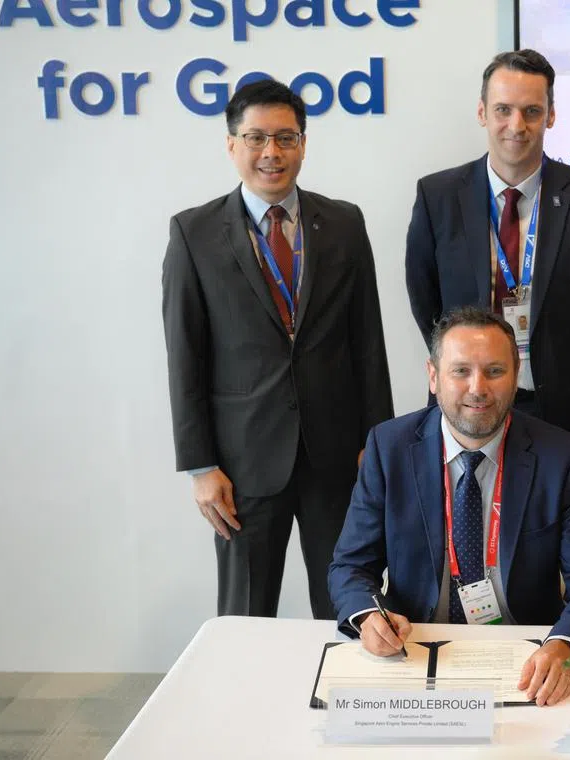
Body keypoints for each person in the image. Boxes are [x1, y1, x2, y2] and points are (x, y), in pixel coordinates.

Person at [162, 79, 393, 620]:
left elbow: (368, 340)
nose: (272, 153)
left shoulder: (343, 222)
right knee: (245, 611)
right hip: (243, 465)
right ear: (231, 145)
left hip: (335, 456)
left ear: (304, 144)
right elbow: (185, 358)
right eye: (256, 138)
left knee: (349, 602)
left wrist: (374, 443)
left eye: (286, 138)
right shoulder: (193, 233)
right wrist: (200, 465)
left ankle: (340, 702)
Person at [329, 306, 570, 706]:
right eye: (461, 371)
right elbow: (350, 566)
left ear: (516, 377)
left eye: (495, 371)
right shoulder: (389, 448)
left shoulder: (560, 456)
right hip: (416, 649)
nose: (478, 388)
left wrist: (562, 644)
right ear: (433, 377)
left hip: (525, 659)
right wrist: (367, 617)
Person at [404, 49, 570, 450]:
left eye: (531, 111)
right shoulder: (437, 196)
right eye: (503, 109)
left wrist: (560, 358)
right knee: (467, 509)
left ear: (551, 115)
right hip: (466, 401)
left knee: (556, 511)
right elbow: (425, 299)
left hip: (556, 402)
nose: (516, 125)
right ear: (482, 112)